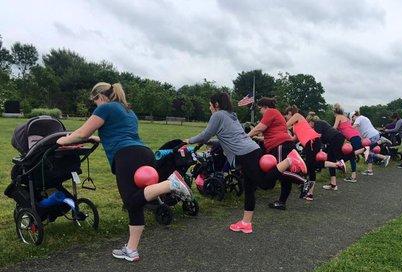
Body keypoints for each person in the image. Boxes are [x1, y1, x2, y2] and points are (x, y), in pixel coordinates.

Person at [56, 82, 191, 262]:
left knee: (130, 200)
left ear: (100, 97)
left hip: (127, 158)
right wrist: (97, 138)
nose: (95, 105)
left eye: (94, 101)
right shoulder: (128, 110)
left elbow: (81, 133)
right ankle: (131, 250)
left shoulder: (105, 108)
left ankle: (170, 184)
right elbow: (119, 134)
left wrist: (62, 141)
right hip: (143, 154)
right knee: (136, 203)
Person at [185, 92, 307, 233]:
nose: (209, 107)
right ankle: (246, 223)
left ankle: (290, 160)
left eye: (210, 104)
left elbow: (205, 135)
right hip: (251, 149)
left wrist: (188, 140)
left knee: (265, 184)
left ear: (216, 104)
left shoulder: (217, 115)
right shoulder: (231, 115)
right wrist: (213, 143)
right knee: (248, 187)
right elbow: (229, 137)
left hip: (244, 154)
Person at [248, 97, 307, 210]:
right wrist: (257, 138)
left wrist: (246, 136)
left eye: (260, 109)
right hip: (284, 144)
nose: (260, 111)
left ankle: (303, 181)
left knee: (280, 171)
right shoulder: (276, 114)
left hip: (280, 145)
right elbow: (270, 134)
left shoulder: (270, 111)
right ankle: (281, 202)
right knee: (285, 177)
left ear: (265, 107)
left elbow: (260, 127)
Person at [285, 106, 346, 201]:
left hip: (312, 141)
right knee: (312, 167)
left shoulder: (298, 116)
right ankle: (337, 165)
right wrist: (287, 135)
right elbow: (294, 139)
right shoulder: (295, 126)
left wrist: (280, 128)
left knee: (311, 167)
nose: (286, 117)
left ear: (290, 113)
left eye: (286, 115)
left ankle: (310, 193)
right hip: (310, 143)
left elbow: (284, 126)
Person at [307, 112, 347, 192]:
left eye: (308, 123)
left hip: (335, 138)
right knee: (330, 160)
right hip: (335, 139)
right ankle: (333, 184)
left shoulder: (317, 124)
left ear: (310, 121)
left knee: (336, 157)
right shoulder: (321, 124)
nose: (308, 126)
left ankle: (341, 163)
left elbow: (318, 136)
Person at [352, 110, 391, 176]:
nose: (352, 120)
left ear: (354, 116)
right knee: (369, 152)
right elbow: (360, 133)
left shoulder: (358, 118)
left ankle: (384, 156)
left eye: (352, 118)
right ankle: (369, 170)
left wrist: (347, 128)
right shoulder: (364, 118)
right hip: (375, 134)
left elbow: (353, 127)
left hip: (371, 136)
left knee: (366, 152)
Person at [332, 104, 364, 183]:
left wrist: (326, 131)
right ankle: (350, 174)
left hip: (353, 137)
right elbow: (344, 130)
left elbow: (334, 128)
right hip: (355, 136)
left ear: (334, 112)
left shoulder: (338, 117)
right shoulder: (346, 118)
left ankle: (339, 165)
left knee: (351, 155)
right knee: (351, 156)